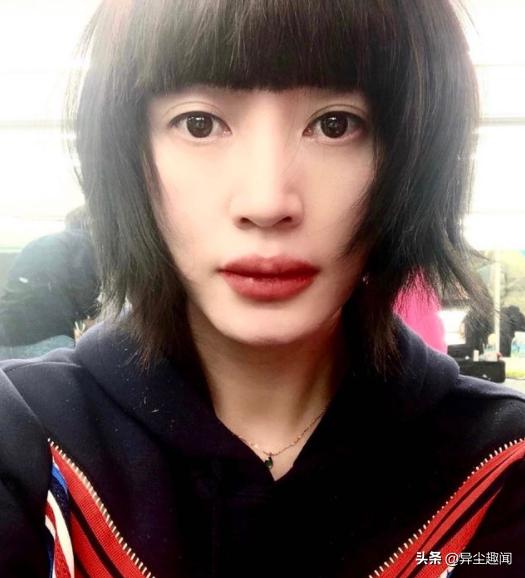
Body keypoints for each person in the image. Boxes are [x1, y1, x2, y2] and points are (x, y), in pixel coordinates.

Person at [1, 1, 524, 577]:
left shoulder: (502, 467)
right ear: (127, 153)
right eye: (199, 124)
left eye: (335, 124)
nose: (267, 202)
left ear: (412, 160)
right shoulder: (24, 439)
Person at [0, 206, 100, 359]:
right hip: (46, 335)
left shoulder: (39, 243)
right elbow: (82, 283)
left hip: (5, 334)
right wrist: (92, 317)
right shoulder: (83, 241)